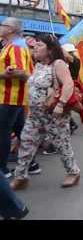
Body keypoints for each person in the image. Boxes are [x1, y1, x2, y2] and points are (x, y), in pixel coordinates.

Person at [10, 34, 81, 191]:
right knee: (26, 144)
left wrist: (61, 104)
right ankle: (21, 177)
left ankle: (73, 172)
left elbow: (68, 84)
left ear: (50, 50)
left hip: (54, 116)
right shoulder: (39, 64)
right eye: (35, 45)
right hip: (35, 116)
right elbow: (35, 82)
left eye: (39, 45)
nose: (35, 47)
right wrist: (19, 73)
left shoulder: (58, 64)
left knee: (62, 146)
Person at [0, 18, 32, 179]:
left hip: (10, 97)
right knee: (20, 131)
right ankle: (32, 164)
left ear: (10, 29)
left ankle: (3, 169)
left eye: (3, 25)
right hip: (13, 97)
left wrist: (3, 75)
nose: (0, 27)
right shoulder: (10, 46)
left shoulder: (16, 47)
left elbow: (20, 72)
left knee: (3, 131)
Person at [62, 43, 81, 135]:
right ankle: (71, 123)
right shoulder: (66, 61)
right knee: (66, 105)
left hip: (71, 83)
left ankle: (71, 124)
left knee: (66, 104)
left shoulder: (75, 60)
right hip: (68, 83)